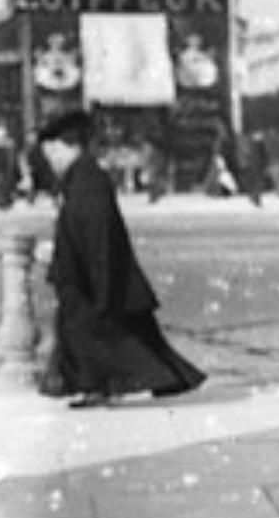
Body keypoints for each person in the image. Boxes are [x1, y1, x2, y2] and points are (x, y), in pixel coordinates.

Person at [37, 110, 205, 407]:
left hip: (90, 278)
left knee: (104, 338)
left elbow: (96, 236)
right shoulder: (81, 177)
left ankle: (98, 387)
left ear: (68, 146)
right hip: (88, 277)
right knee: (125, 338)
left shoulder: (86, 179)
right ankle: (165, 379)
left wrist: (101, 285)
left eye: (52, 151)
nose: (50, 159)